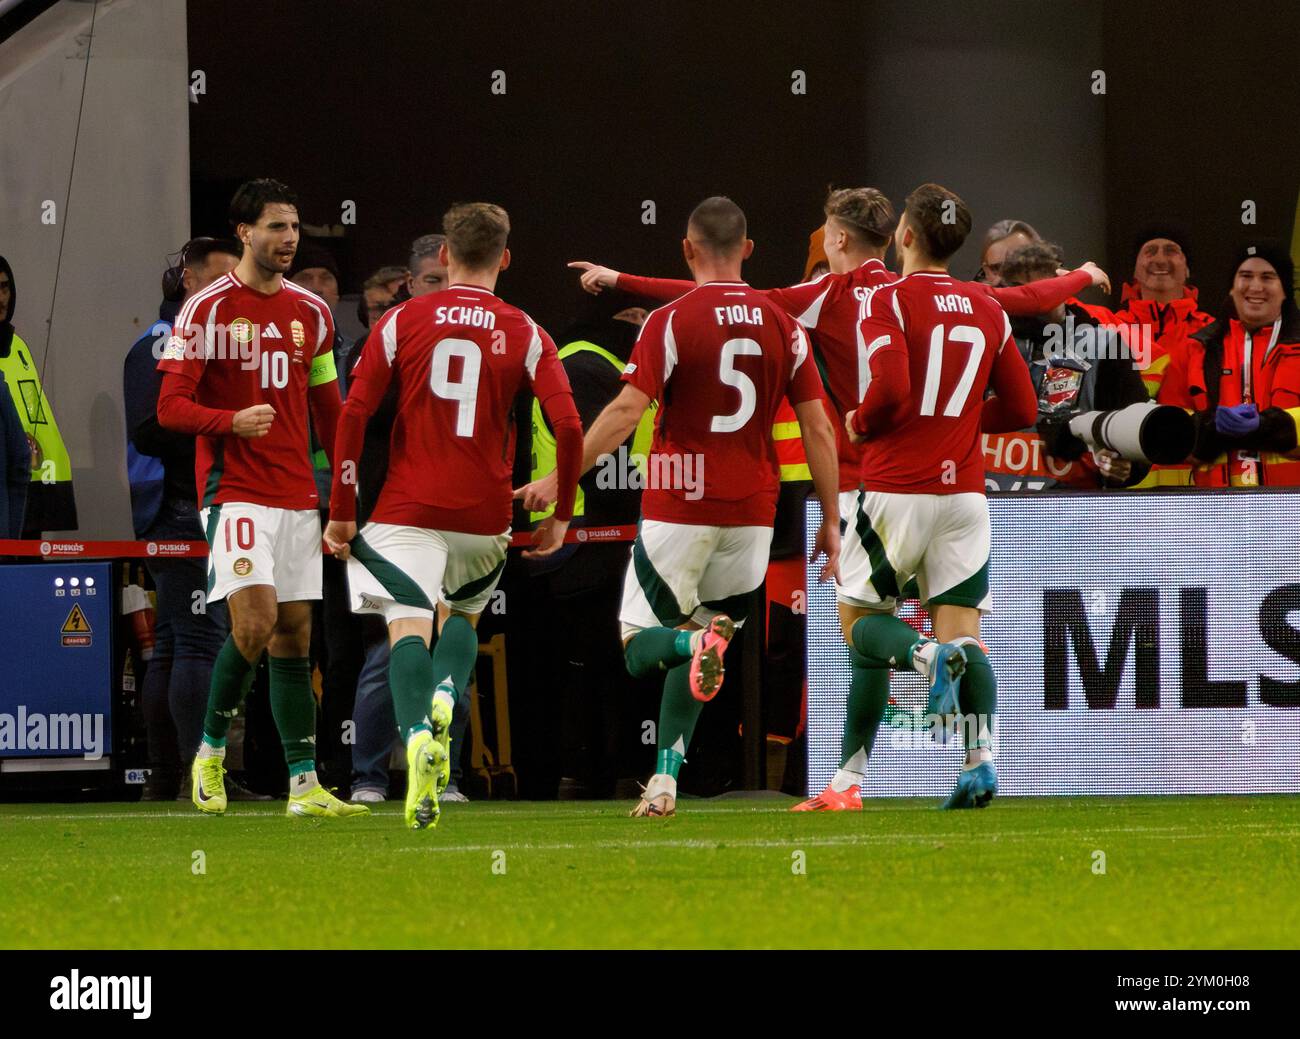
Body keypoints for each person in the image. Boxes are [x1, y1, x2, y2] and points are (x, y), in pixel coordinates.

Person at [521, 195, 842, 818]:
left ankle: (688, 658)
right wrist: (828, 520)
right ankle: (665, 781)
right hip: (753, 511)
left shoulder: (667, 319)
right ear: (747, 250)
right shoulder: (784, 322)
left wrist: (561, 482)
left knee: (643, 645)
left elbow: (622, 414)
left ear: (687, 249)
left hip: (679, 505)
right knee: (705, 639)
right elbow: (818, 429)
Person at [324, 202, 583, 830]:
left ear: (444, 256)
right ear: (506, 259)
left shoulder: (402, 320)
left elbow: (352, 414)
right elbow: (571, 426)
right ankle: (445, 695)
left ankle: (415, 737)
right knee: (462, 616)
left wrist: (341, 509)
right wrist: (563, 511)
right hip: (484, 513)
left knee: (407, 631)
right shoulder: (525, 329)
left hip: (407, 508)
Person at [158, 177, 366, 819]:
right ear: (244, 232)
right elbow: (168, 408)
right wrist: (229, 422)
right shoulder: (206, 309)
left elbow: (331, 413)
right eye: (276, 227)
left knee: (296, 637)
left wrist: (345, 499)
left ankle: (303, 786)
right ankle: (210, 755)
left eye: (295, 227)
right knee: (253, 621)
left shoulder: (313, 312)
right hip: (235, 490)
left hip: (297, 492)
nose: (289, 239)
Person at [839, 183, 1037, 810]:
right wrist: (960, 421)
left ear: (904, 234)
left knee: (863, 624)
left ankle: (927, 659)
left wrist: (861, 421)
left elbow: (892, 388)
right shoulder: (988, 306)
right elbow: (1026, 407)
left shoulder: (886, 300)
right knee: (968, 633)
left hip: (898, 488)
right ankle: (980, 764)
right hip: (966, 497)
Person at [124, 236, 274, 802]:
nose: (227, 289)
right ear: (187, 280)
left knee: (172, 645)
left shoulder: (203, 335)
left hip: (186, 503)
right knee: (198, 643)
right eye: (216, 278)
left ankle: (168, 778)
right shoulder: (161, 342)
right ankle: (199, 775)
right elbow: (150, 427)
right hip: (180, 505)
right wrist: (225, 423)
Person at [526, 287, 654, 798]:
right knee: (593, 663)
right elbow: (604, 454)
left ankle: (611, 773)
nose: (641, 325)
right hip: (582, 535)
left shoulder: (610, 364)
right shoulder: (585, 364)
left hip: (602, 535)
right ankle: (583, 776)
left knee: (611, 661)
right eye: (633, 316)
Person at [991, 241, 1151, 489]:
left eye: (1046, 286)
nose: (1038, 297)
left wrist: (1125, 466)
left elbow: (1135, 427)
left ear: (1062, 282)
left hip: (1072, 515)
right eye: (1023, 289)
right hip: (990, 513)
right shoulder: (987, 339)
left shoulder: (1105, 346)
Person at [1163, 240, 1300, 487]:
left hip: (1291, 511)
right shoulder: (1195, 349)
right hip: (1217, 513)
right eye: (1245, 275)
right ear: (1231, 287)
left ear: (1285, 290)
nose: (1255, 286)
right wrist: (1209, 428)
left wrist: (1276, 427)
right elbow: (1169, 432)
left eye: (1268, 277)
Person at [0, 254, 78, 536]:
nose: (2, 298)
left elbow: (33, 408)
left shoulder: (15, 345)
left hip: (29, 486)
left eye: (5, 287)